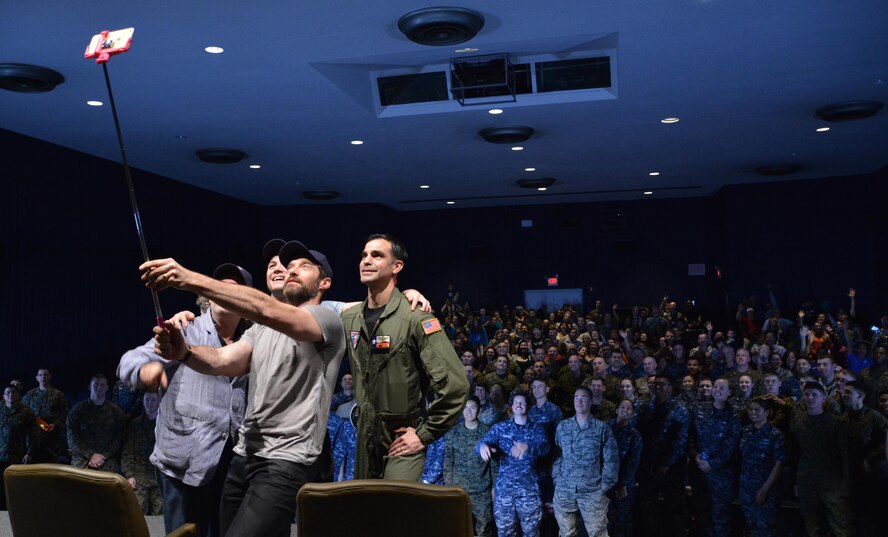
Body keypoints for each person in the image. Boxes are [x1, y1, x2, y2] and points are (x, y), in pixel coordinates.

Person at [144, 239, 345, 537]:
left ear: (324, 282)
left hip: (286, 459)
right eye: (289, 267)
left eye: (304, 267)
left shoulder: (326, 319)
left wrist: (191, 280)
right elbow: (223, 360)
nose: (291, 272)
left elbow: (265, 308)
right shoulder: (259, 330)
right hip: (245, 455)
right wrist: (184, 351)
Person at [118, 262, 252, 537]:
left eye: (234, 290)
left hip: (230, 466)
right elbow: (130, 360)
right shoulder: (186, 329)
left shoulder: (251, 341)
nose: (224, 294)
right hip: (183, 464)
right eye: (218, 288)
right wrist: (145, 370)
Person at [341, 234, 469, 480]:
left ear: (396, 266)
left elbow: (456, 385)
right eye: (364, 255)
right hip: (365, 438)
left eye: (377, 255)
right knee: (363, 513)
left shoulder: (416, 319)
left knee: (396, 510)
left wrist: (424, 434)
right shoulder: (350, 319)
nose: (366, 260)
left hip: (400, 437)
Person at [478, 391, 549, 537]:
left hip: (528, 492)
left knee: (531, 533)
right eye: (516, 402)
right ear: (512, 406)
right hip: (505, 491)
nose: (519, 405)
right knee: (505, 533)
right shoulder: (500, 428)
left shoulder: (536, 429)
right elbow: (482, 442)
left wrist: (528, 446)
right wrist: (483, 446)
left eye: (522, 402)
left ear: (528, 407)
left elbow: (545, 447)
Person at [552, 386, 619, 537]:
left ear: (591, 401)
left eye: (583, 398)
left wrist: (604, 486)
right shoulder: (563, 426)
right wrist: (557, 479)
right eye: (576, 397)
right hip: (565, 490)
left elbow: (612, 459)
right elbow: (557, 455)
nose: (579, 401)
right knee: (566, 533)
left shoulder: (601, 428)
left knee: (598, 533)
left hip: (592, 491)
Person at [790, 381, 854, 537]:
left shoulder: (835, 423)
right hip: (806, 479)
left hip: (831, 481)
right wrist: (795, 481)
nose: (810, 398)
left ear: (823, 398)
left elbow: (845, 456)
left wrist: (845, 483)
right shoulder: (798, 421)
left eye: (814, 395)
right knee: (812, 526)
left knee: (841, 526)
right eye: (807, 394)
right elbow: (793, 453)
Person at [636, 374, 689, 537]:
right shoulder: (645, 407)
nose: (658, 387)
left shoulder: (680, 409)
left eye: (663, 384)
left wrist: (666, 465)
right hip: (648, 467)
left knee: (674, 510)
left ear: (671, 388)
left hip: (672, 468)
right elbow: (639, 435)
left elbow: (681, 441)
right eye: (656, 384)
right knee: (647, 509)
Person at [688, 378, 740, 537]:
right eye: (716, 386)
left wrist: (712, 464)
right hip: (698, 470)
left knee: (720, 515)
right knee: (701, 513)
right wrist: (695, 455)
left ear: (729, 392)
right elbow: (690, 437)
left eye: (722, 388)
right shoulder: (699, 409)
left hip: (720, 474)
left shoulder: (734, 415)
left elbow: (731, 445)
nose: (717, 390)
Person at [841, 380, 888, 537]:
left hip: (873, 477)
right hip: (851, 477)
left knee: (875, 518)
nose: (844, 394)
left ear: (860, 395)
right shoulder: (843, 419)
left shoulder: (875, 417)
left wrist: (870, 459)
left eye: (848, 392)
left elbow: (885, 443)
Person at [444, 396, 495, 537]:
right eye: (465, 407)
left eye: (472, 407)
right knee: (458, 527)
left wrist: (494, 487)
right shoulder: (453, 432)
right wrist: (449, 487)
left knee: (484, 528)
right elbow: (448, 461)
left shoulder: (488, 432)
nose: (468, 411)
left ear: (479, 411)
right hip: (459, 489)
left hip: (482, 490)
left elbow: (494, 464)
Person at [739, 397, 786, 537]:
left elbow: (779, 463)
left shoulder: (775, 435)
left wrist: (765, 489)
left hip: (766, 488)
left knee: (765, 528)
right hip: (746, 487)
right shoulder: (745, 431)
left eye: (757, 410)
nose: (753, 412)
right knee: (751, 525)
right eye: (751, 409)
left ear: (767, 413)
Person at [67, 373, 125, 472]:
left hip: (106, 457)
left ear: (107, 388)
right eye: (95, 385)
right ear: (90, 387)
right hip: (82, 456)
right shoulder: (77, 411)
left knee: (110, 483)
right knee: (78, 482)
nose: (99, 388)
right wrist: (91, 455)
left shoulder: (116, 412)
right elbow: (72, 439)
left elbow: (119, 438)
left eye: (102, 385)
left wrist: (103, 455)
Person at [122, 392, 163, 515]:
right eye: (147, 400)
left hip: (159, 475)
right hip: (139, 475)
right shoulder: (135, 424)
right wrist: (129, 475)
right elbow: (127, 451)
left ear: (158, 402)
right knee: (136, 512)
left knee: (161, 514)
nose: (150, 404)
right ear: (143, 402)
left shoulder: (164, 424)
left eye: (153, 400)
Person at [1, 384, 39, 510]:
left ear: (18, 395)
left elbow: (33, 434)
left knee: (15, 489)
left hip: (17, 456)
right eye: (8, 393)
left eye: (13, 392)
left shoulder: (26, 412)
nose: (11, 395)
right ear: (4, 396)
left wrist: (30, 452)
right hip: (0, 455)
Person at [608, 399, 642, 537]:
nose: (625, 410)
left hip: (623, 483)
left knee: (622, 520)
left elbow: (633, 462)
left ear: (632, 414)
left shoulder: (634, 434)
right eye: (622, 407)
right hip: (604, 481)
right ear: (617, 410)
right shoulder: (605, 427)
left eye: (629, 409)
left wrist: (623, 484)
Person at [22, 368, 68, 463]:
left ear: (50, 377)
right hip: (33, 437)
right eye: (40, 375)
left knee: (51, 465)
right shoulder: (30, 394)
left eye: (45, 375)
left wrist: (56, 424)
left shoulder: (58, 394)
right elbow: (23, 411)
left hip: (51, 437)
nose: (43, 377)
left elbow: (65, 413)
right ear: (37, 378)